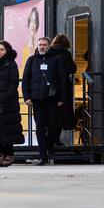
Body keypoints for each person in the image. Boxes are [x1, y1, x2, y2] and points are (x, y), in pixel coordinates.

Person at [22, 37, 66, 165]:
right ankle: (43, 156)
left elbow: (62, 80)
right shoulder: (31, 60)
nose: (42, 47)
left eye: (44, 45)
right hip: (37, 100)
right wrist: (27, 97)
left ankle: (48, 145)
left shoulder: (56, 60)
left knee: (53, 125)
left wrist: (62, 98)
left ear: (49, 46)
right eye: (40, 44)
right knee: (40, 126)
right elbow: (25, 80)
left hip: (52, 99)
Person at [0, 40, 24, 168]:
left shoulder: (11, 64)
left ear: (6, 50)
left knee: (7, 129)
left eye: (1, 49)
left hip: (9, 102)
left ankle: (9, 154)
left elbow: (14, 82)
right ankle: (0, 155)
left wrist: (7, 95)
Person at [50, 33, 77, 147]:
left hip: (50, 87)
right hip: (64, 87)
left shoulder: (49, 53)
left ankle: (50, 140)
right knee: (62, 114)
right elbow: (72, 68)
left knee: (50, 114)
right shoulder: (66, 54)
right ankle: (57, 140)